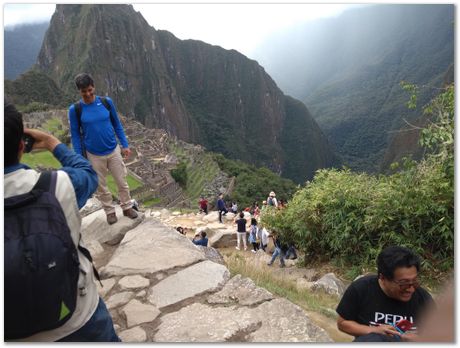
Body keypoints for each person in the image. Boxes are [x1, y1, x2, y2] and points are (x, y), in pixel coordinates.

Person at [4, 103, 119, 342]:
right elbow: (87, 172)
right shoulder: (58, 185)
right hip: (81, 318)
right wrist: (50, 142)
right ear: (21, 146)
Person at [68, 73, 138, 225]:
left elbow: (117, 124)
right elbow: (75, 135)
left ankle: (127, 207)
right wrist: (79, 157)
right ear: (79, 91)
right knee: (101, 186)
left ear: (93, 87)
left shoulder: (106, 102)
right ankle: (110, 211)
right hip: (93, 154)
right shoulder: (76, 109)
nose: (87, 94)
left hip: (113, 150)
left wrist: (124, 145)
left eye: (89, 90)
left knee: (121, 181)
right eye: (83, 91)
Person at [336, 246, 434, 342]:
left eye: (415, 281)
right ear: (383, 278)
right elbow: (342, 323)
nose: (411, 289)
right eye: (403, 283)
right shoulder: (361, 289)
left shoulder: (423, 299)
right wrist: (374, 331)